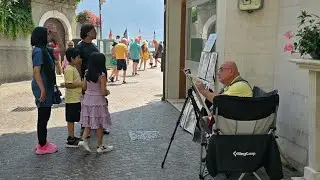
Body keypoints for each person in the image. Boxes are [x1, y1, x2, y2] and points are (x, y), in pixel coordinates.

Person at [31, 24, 65, 155]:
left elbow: (61, 48)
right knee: (43, 116)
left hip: (46, 86)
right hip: (42, 87)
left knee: (45, 116)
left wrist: (56, 34)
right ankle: (42, 145)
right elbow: (36, 71)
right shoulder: (39, 51)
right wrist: (43, 90)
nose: (48, 36)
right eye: (47, 34)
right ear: (41, 37)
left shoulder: (44, 49)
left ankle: (42, 142)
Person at [77, 23, 109, 135]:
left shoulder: (93, 46)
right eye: (93, 30)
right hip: (88, 79)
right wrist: (81, 81)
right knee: (87, 103)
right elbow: (78, 65)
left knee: (101, 102)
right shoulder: (80, 47)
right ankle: (85, 126)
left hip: (98, 78)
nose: (95, 32)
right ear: (87, 33)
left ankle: (100, 124)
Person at [78, 52, 113, 153]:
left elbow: (84, 87)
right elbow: (103, 91)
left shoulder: (87, 72)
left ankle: (83, 140)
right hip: (98, 101)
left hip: (87, 99)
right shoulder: (101, 75)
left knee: (89, 121)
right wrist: (108, 92)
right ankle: (100, 146)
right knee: (99, 124)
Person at [64, 47, 82, 147]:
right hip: (71, 99)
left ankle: (72, 136)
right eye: (77, 57)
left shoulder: (73, 68)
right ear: (72, 58)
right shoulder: (69, 69)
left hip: (76, 98)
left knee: (74, 118)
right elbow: (68, 84)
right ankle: (70, 138)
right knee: (70, 119)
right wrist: (80, 84)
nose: (79, 59)